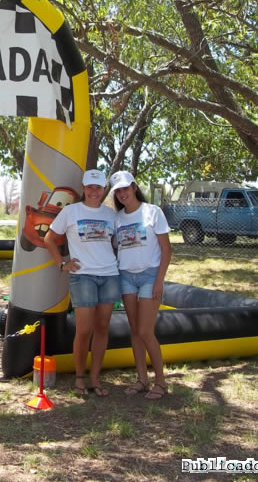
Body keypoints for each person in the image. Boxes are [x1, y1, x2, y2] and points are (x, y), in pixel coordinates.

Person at [44, 169, 120, 397]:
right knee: (84, 329)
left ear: (103, 189)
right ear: (83, 189)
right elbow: (49, 238)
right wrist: (62, 264)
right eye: (90, 187)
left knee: (102, 328)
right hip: (82, 276)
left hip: (109, 276)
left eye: (99, 187)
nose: (94, 192)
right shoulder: (70, 212)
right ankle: (79, 377)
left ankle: (95, 378)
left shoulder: (112, 215)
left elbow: (116, 243)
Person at [111, 170, 172, 400]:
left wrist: (159, 281)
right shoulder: (117, 219)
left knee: (146, 330)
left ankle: (161, 382)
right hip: (126, 276)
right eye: (118, 191)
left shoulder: (152, 212)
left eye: (125, 188)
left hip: (149, 276)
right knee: (135, 332)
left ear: (134, 187)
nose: (122, 194)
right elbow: (115, 247)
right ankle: (141, 379)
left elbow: (166, 250)